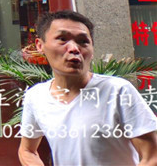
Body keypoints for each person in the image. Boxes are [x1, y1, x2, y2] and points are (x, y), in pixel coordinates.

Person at [18, 10, 157, 166]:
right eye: (62, 39)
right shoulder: (36, 96)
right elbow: (27, 150)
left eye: (83, 41)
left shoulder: (118, 91)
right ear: (40, 45)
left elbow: (152, 156)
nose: (74, 48)